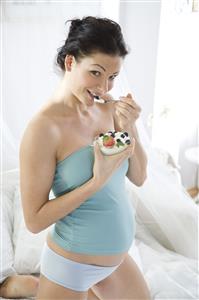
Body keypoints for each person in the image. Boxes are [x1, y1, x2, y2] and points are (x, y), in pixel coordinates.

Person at [19, 16, 150, 300]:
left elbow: (139, 177)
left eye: (112, 76)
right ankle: (25, 285)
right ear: (69, 63)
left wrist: (131, 127)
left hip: (115, 262)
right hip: (71, 265)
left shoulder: (110, 111)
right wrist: (95, 181)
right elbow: (34, 220)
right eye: (96, 73)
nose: (105, 87)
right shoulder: (43, 129)